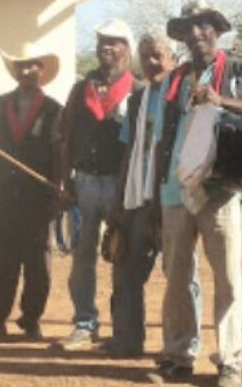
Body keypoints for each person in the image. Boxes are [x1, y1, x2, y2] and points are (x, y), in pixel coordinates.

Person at [150, 0, 242, 387]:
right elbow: (157, 137)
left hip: (221, 190)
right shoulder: (172, 81)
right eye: (189, 27)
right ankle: (178, 355)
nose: (197, 33)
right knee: (177, 277)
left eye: (204, 26)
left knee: (228, 279)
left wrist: (225, 102)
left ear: (217, 31)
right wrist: (155, 190)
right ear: (182, 35)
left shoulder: (239, 73)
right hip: (175, 189)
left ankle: (230, 361)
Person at [54, 18, 141, 352]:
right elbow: (65, 137)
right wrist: (65, 183)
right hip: (85, 184)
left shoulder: (138, 89)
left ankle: (121, 331)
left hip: (122, 186)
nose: (107, 46)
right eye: (103, 39)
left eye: (115, 41)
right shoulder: (81, 88)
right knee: (82, 258)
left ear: (127, 48)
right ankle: (84, 324)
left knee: (122, 256)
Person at [0, 46, 64, 342]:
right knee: (3, 260)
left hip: (39, 197)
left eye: (33, 66)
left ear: (42, 71)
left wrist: (56, 191)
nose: (27, 72)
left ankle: (31, 318)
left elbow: (58, 154)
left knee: (38, 264)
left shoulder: (54, 109)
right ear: (15, 71)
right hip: (6, 194)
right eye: (22, 67)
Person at [99, 34, 178, 358]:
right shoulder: (136, 101)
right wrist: (118, 204)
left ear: (172, 58)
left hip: (171, 196)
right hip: (137, 196)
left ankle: (179, 350)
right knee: (125, 270)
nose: (151, 63)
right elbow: (129, 152)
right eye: (145, 57)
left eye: (158, 56)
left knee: (180, 277)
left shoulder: (180, 97)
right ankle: (127, 340)